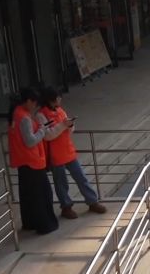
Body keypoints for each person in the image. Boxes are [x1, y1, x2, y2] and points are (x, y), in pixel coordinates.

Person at [7, 87, 73, 235]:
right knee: (42, 195)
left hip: (23, 161)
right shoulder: (24, 118)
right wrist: (42, 130)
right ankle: (45, 224)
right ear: (29, 101)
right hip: (32, 161)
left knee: (28, 196)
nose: (35, 107)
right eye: (34, 103)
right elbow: (30, 141)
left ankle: (30, 223)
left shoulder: (16, 114)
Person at [38, 86, 107, 219]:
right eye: (58, 98)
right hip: (55, 155)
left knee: (81, 177)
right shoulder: (41, 115)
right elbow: (47, 135)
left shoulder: (60, 110)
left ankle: (92, 201)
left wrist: (70, 125)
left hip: (68, 151)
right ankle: (66, 206)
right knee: (61, 183)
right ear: (51, 99)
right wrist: (63, 125)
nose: (60, 100)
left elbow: (69, 130)